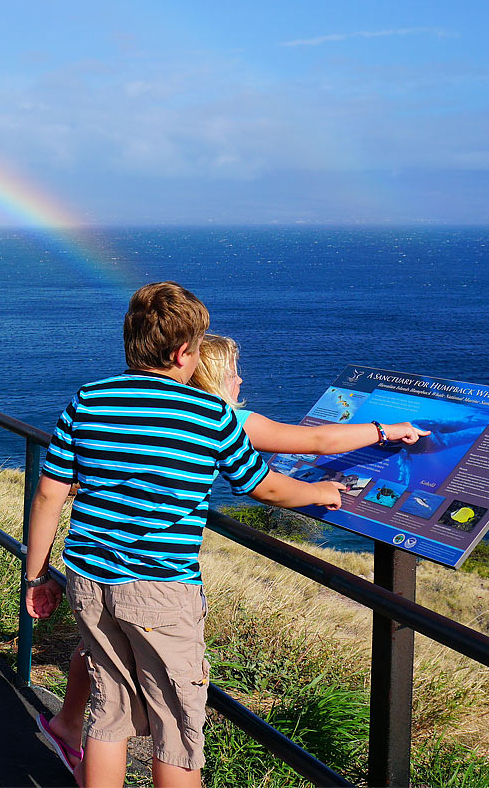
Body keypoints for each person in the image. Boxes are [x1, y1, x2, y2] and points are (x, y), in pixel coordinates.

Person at [33, 331, 429, 784]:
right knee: (178, 726)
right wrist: (371, 443)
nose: (241, 379)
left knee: (111, 707)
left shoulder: (99, 399)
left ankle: (67, 726)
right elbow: (310, 446)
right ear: (199, 366)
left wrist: (38, 573)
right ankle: (66, 725)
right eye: (234, 371)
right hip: (159, 583)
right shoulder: (221, 417)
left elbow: (54, 490)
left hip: (91, 572)